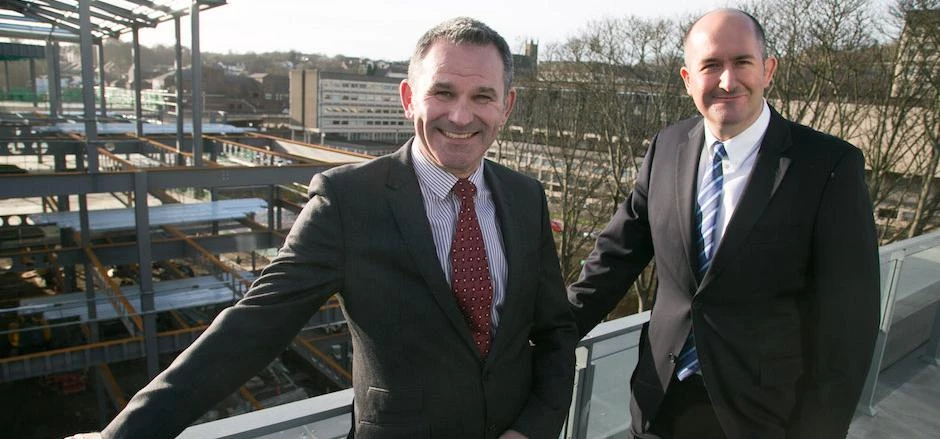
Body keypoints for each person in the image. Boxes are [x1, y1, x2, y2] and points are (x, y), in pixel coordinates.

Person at [73, 17, 577, 439]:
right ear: (408, 98)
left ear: (506, 107)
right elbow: (253, 326)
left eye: (482, 97)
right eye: (442, 92)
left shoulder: (524, 197)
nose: (461, 115)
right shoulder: (347, 201)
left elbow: (555, 332)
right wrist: (122, 435)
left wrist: (534, 428)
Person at [568, 9, 880, 439]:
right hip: (659, 403)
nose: (728, 81)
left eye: (742, 63)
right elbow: (616, 256)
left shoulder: (827, 166)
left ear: (768, 69)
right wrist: (549, 333)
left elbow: (849, 323)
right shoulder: (667, 146)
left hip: (763, 417)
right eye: (711, 65)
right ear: (687, 78)